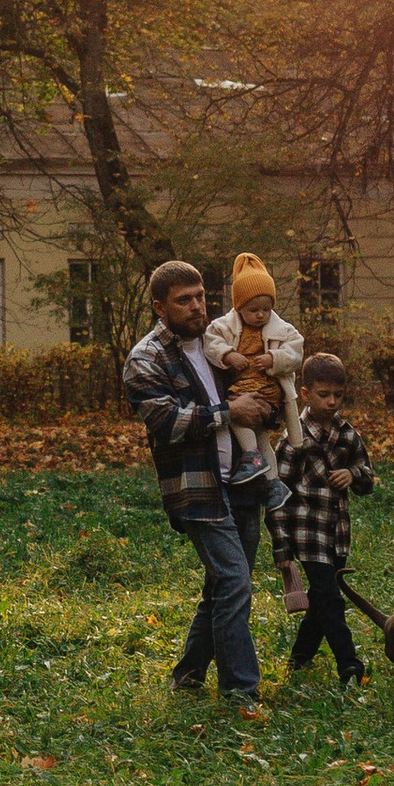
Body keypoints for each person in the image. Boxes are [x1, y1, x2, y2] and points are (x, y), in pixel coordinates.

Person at [122, 254, 281, 707]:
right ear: (159, 306)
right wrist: (230, 412)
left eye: (201, 297)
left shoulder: (221, 344)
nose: (196, 307)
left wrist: (264, 406)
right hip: (197, 487)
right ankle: (240, 690)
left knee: (222, 583)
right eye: (184, 300)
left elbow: (260, 393)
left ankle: (188, 674)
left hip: (245, 479)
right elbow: (166, 422)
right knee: (234, 580)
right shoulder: (146, 358)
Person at [270, 350, 375, 681]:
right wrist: (282, 546)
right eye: (323, 394)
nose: (332, 402)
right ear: (305, 393)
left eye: (338, 395)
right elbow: (276, 494)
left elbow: (367, 479)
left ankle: (298, 660)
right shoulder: (293, 438)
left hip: (337, 532)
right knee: (330, 597)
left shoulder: (348, 434)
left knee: (320, 600)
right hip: (306, 533)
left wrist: (353, 474)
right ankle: (349, 664)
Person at [202, 250, 304, 506]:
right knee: (260, 435)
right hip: (242, 386)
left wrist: (275, 358)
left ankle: (251, 457)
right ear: (239, 306)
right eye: (253, 309)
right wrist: (227, 355)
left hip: (268, 389)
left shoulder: (282, 329)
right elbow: (210, 342)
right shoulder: (225, 326)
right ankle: (273, 485)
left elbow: (296, 352)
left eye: (266, 309)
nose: (261, 315)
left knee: (235, 414)